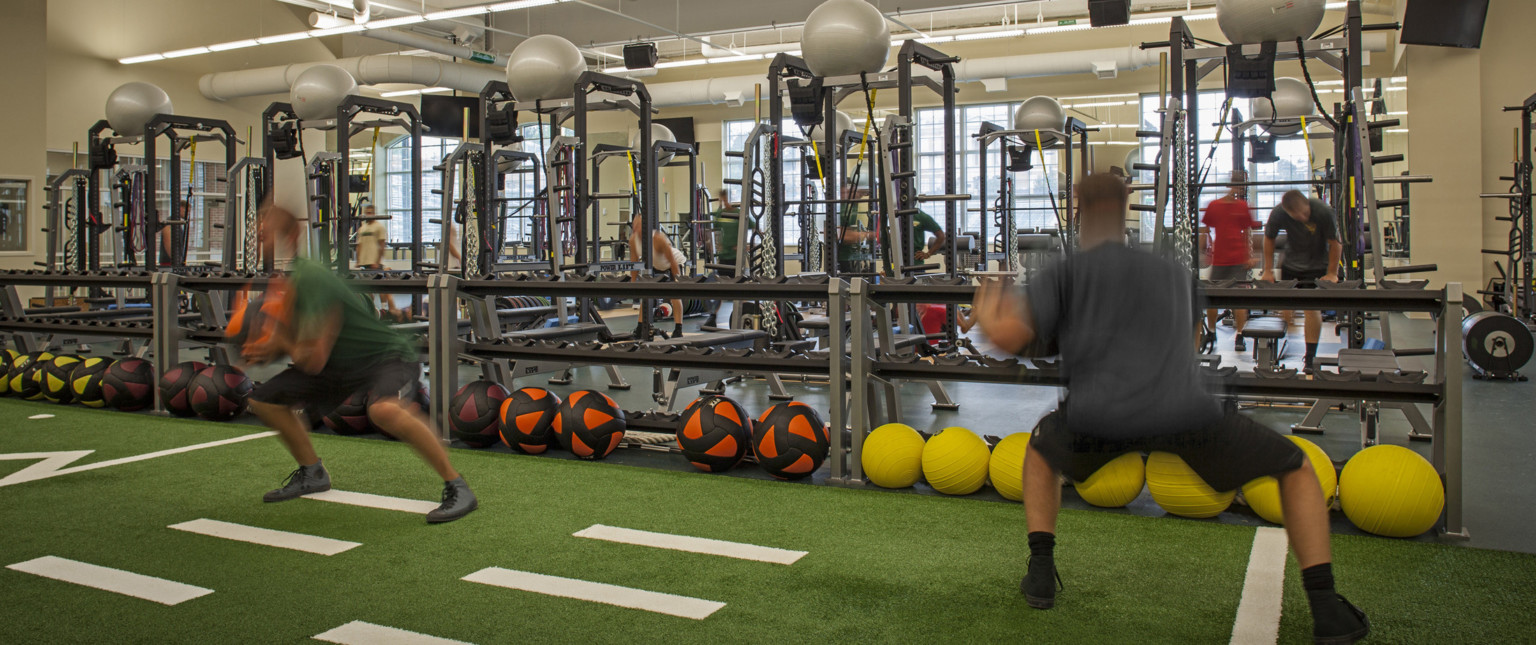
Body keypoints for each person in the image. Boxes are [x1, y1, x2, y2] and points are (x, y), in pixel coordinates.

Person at [971, 173, 1368, 644]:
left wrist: (988, 303)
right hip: (1185, 413)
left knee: (1041, 449)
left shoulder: (1065, 271)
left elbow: (1009, 339)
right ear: (1124, 210)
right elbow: (1191, 339)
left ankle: (1040, 572)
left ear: (1077, 208)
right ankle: (1326, 606)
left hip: (1096, 418)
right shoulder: (1170, 272)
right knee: (1296, 466)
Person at [242, 203, 477, 524]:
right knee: (263, 400)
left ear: (284, 234)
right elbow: (293, 344)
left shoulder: (312, 276)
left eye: (263, 231)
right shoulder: (289, 281)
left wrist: (278, 340)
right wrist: (260, 347)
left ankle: (457, 486)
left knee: (383, 410)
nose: (258, 238)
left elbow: (311, 358)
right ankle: (312, 473)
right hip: (340, 366)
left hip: (383, 357)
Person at [1261, 190, 1343, 372]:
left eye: (1304, 214)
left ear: (1308, 204)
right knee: (1286, 308)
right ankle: (1287, 327)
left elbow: (1336, 243)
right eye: (1296, 216)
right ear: (1287, 212)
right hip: (1290, 265)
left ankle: (1310, 358)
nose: (1302, 218)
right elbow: (1269, 238)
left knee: (1311, 310)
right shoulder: (1279, 213)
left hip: (1316, 267)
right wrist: (1267, 270)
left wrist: (1332, 273)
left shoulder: (1323, 211)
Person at [1201, 171, 1260, 350]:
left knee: (1238, 300)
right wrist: (1206, 252)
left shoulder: (1242, 206)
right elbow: (1206, 230)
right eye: (1237, 185)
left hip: (1238, 259)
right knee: (1212, 298)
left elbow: (1248, 231)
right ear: (1231, 186)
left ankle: (1240, 335)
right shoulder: (1215, 205)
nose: (1238, 189)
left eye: (1240, 186)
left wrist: (1249, 257)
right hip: (1219, 259)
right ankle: (1211, 332)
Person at [629, 212, 687, 338]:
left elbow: (672, 261)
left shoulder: (658, 239)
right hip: (657, 266)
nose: (635, 228)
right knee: (646, 294)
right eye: (634, 225)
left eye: (638, 225)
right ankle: (640, 327)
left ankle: (678, 329)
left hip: (675, 263)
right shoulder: (633, 240)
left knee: (675, 295)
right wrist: (632, 284)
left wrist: (677, 282)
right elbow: (634, 264)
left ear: (645, 226)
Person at [354, 203, 405, 322]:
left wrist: (377, 261)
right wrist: (358, 260)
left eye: (371, 212)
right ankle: (371, 311)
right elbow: (359, 245)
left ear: (374, 214)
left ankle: (385, 310)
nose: (369, 214)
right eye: (367, 212)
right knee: (367, 289)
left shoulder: (379, 227)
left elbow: (381, 245)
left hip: (374, 262)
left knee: (381, 287)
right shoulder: (362, 228)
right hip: (364, 263)